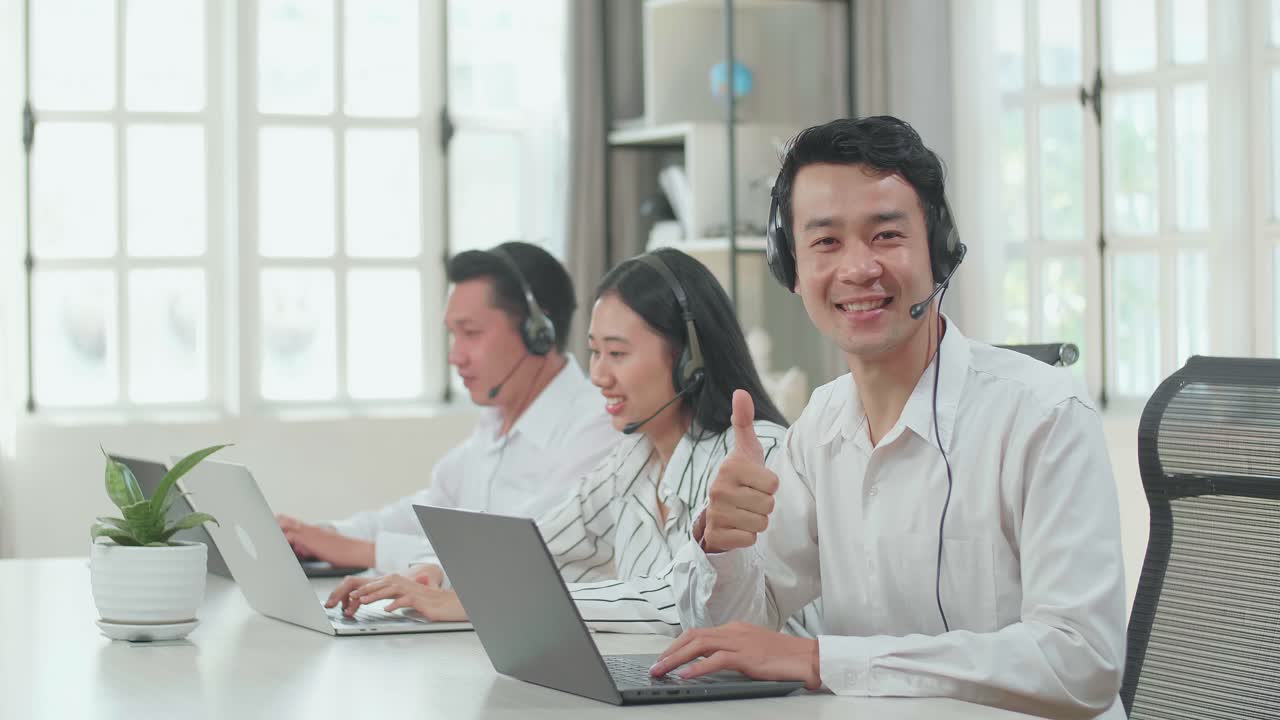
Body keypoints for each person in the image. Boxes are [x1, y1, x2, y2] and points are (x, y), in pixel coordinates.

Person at [651, 117, 1128, 720]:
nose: (857, 269)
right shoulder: (822, 424)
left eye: (885, 236)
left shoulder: (1045, 417)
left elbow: (1080, 661)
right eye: (825, 242)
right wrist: (724, 543)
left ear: (940, 252)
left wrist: (824, 661)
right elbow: (742, 630)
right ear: (791, 269)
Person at [326, 249, 822, 637]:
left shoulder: (757, 457)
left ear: (688, 360)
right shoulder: (632, 460)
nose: (599, 376)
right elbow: (541, 550)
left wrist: (482, 604)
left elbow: (685, 603)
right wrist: (434, 577)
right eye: (594, 352)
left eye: (618, 354)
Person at [276, 241, 620, 575]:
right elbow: (426, 512)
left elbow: (520, 549)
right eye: (453, 335)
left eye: (470, 333)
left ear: (538, 332)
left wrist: (365, 552)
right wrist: (320, 535)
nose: (455, 356)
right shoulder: (495, 422)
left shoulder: (598, 425)